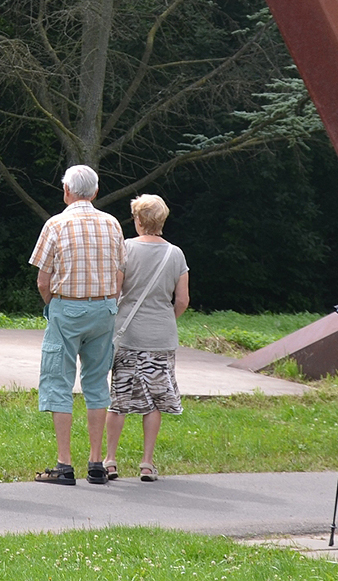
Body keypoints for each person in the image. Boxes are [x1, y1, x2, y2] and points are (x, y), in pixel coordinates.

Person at [28, 164, 125, 487]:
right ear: (95, 192)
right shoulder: (112, 224)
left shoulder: (55, 224)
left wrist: (53, 304)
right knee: (97, 382)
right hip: (104, 308)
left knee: (59, 380)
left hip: (67, 307)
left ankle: (64, 463)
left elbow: (43, 280)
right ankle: (97, 462)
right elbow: (120, 271)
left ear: (66, 191)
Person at [102, 194, 189, 483]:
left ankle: (110, 460)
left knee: (120, 399)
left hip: (128, 334)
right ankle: (147, 464)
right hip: (161, 337)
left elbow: (115, 291)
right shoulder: (176, 254)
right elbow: (183, 300)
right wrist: (167, 320)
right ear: (162, 221)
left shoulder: (125, 249)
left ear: (138, 220)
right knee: (153, 401)